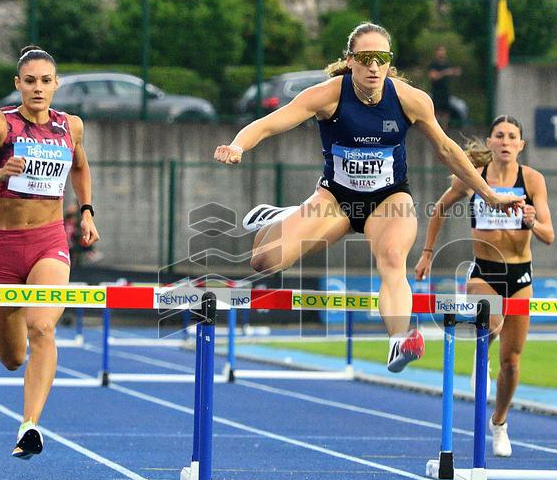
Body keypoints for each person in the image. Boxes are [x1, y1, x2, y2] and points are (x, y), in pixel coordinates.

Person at [215, 22, 523, 373]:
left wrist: (489, 195)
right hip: (335, 200)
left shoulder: (410, 99)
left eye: (381, 58)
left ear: (389, 63)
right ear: (350, 61)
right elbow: (270, 123)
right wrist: (238, 144)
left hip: (388, 201)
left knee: (393, 258)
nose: (373, 66)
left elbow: (448, 150)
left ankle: (399, 339)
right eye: (365, 58)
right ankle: (284, 217)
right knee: (263, 261)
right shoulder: (327, 95)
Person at [0, 45, 99, 459]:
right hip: (2, 247)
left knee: (42, 327)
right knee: (12, 357)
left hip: (49, 242)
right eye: (30, 81)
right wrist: (2, 172)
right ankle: (0, 336)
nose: (38, 88)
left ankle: (29, 426)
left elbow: (80, 167)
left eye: (46, 81)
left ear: (56, 85)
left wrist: (86, 212)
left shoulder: (70, 126)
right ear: (18, 84)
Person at [415, 116, 554, 457]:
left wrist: (532, 222)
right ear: (490, 142)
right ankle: (484, 347)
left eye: (512, 137)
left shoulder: (532, 180)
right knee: (493, 321)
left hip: (520, 274)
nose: (506, 142)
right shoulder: (474, 178)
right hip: (484, 270)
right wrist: (428, 253)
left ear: (521, 145)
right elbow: (439, 210)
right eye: (500, 136)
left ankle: (500, 423)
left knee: (513, 362)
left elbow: (549, 236)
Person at [428, 45, 461, 130]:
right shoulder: (433, 64)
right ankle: (435, 130)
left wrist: (454, 72)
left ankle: (445, 130)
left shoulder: (447, 64)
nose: (441, 53)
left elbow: (454, 72)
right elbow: (433, 76)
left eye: (443, 51)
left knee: (446, 112)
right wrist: (445, 72)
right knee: (436, 111)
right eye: (440, 51)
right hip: (436, 92)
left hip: (445, 92)